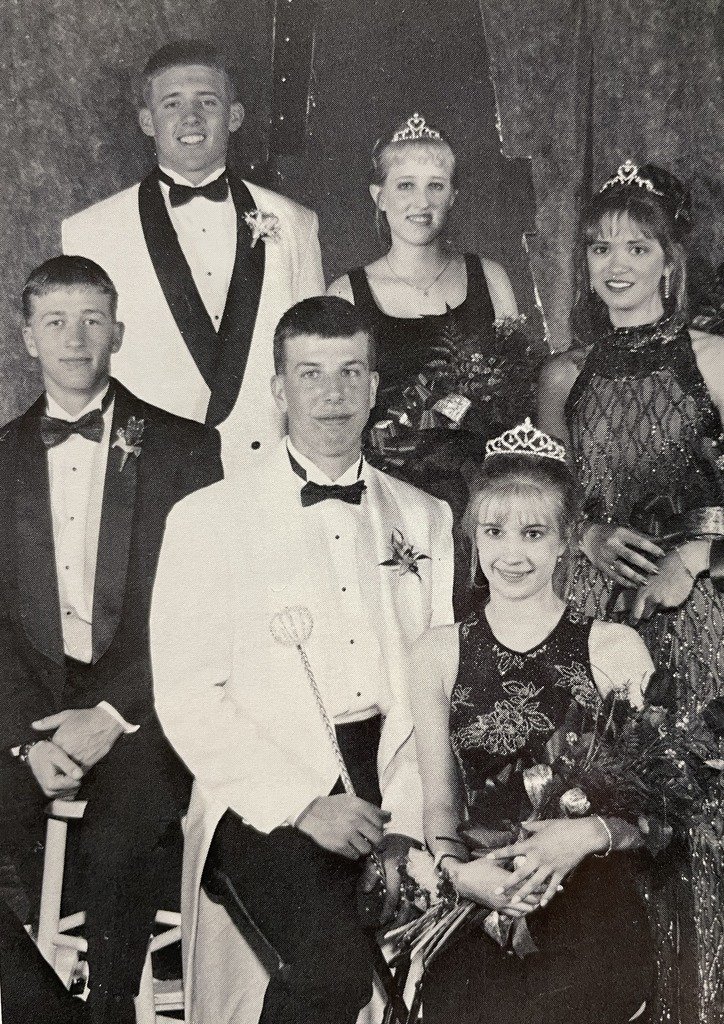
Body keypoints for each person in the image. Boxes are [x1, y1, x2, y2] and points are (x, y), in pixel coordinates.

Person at [150, 296, 455, 1024]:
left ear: (376, 387)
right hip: (263, 794)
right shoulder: (207, 518)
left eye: (352, 372)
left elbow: (437, 682)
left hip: (394, 784)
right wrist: (303, 803)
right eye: (311, 374)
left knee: (446, 964)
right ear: (279, 390)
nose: (333, 394)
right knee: (329, 970)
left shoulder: (425, 517)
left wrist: (419, 819)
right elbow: (188, 695)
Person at [0, 256, 223, 1023]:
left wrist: (112, 716)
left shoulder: (184, 450)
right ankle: (37, 1005)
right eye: (55, 321)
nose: (75, 337)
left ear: (118, 332)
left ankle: (112, 1011)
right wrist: (29, 742)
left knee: (120, 841)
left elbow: (203, 611)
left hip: (146, 711)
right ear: (26, 336)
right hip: (30, 712)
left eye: (93, 319)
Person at [537, 161, 724, 1024]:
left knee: (695, 806)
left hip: (696, 618)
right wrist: (585, 533)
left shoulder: (711, 358)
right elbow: (537, 496)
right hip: (592, 611)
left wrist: (693, 552)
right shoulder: (565, 375)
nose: (615, 264)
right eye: (599, 247)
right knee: (593, 802)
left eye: (635, 246)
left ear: (668, 258)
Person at [412, 422, 656, 1024]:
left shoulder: (614, 648)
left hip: (591, 894)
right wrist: (460, 875)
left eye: (534, 532)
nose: (511, 554)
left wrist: (585, 836)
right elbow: (440, 809)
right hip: (482, 892)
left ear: (567, 542)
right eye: (493, 531)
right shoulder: (438, 652)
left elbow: (660, 816)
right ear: (472, 537)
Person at [62, 40, 325, 475]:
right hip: (148, 471)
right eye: (172, 104)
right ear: (147, 121)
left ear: (234, 117)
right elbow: (80, 370)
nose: (191, 118)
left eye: (208, 102)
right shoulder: (90, 232)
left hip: (265, 472)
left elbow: (315, 356)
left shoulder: (295, 223)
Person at [328, 113, 540, 514]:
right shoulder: (346, 293)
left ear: (453, 197)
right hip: (385, 497)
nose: (421, 203)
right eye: (405, 185)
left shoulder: (490, 277)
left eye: (435, 187)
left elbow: (519, 400)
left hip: (481, 500)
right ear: (379, 196)